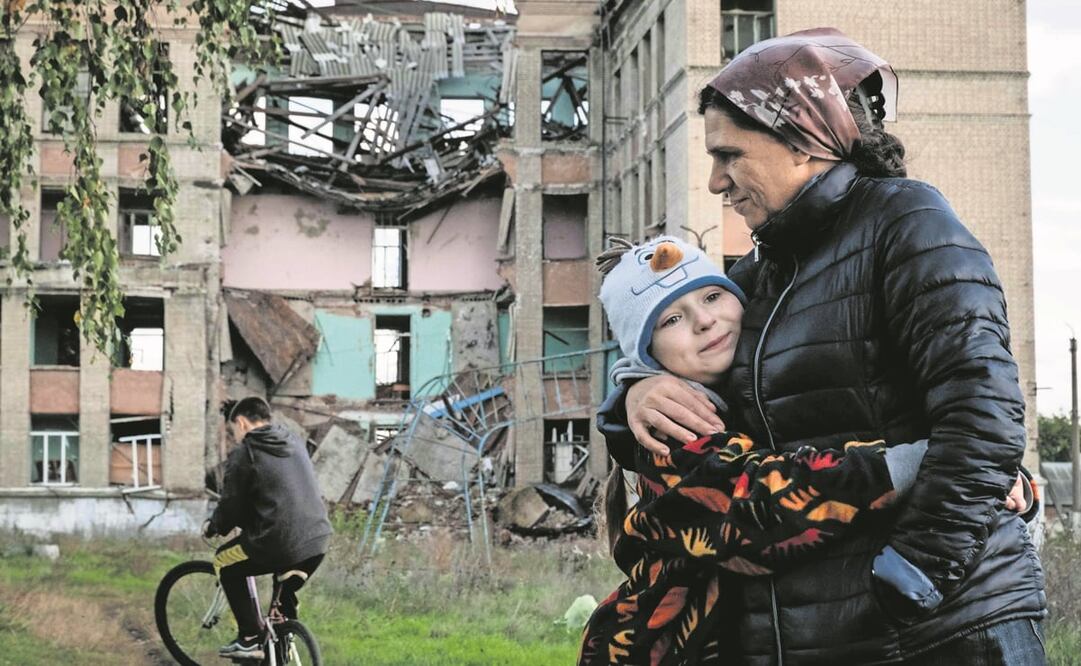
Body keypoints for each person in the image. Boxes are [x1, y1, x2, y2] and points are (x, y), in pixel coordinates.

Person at [598, 28, 1046, 665]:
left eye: (729, 155)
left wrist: (913, 577)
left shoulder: (908, 226)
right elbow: (696, 408)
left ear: (802, 142)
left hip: (942, 630)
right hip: (824, 637)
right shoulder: (755, 277)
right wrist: (631, 395)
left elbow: (984, 420)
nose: (716, 182)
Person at [579, 235, 932, 665]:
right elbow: (763, 505)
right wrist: (924, 461)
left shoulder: (747, 396)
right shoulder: (674, 430)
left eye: (712, 295)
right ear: (645, 353)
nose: (704, 320)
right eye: (670, 319)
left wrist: (983, 471)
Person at [203, 397, 333, 661]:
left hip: (279, 541)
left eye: (233, 432)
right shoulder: (294, 441)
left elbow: (232, 504)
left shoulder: (246, 452)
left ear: (241, 423)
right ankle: (283, 639)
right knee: (282, 602)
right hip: (318, 540)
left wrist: (214, 526)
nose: (235, 438)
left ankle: (250, 639)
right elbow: (279, 492)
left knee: (225, 563)